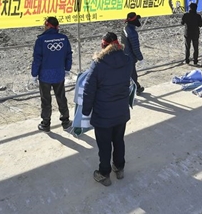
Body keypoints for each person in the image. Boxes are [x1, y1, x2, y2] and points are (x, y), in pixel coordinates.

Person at [82, 32, 133, 187]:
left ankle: (104, 173)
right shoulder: (127, 60)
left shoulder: (98, 64)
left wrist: (85, 111)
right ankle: (119, 168)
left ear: (103, 45)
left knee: (104, 145)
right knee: (118, 140)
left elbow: (89, 90)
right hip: (121, 111)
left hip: (103, 113)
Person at [31, 17, 73, 132]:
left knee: (45, 99)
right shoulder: (64, 39)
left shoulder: (41, 40)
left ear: (48, 25)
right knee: (61, 97)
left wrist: (34, 74)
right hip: (59, 73)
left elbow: (37, 59)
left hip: (45, 75)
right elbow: (68, 54)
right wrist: (67, 69)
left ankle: (46, 124)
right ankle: (65, 121)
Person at [121, 12, 144, 93]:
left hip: (124, 54)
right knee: (133, 75)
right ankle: (135, 88)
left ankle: (135, 87)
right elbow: (135, 47)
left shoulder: (125, 29)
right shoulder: (132, 32)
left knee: (127, 73)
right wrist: (141, 58)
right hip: (130, 57)